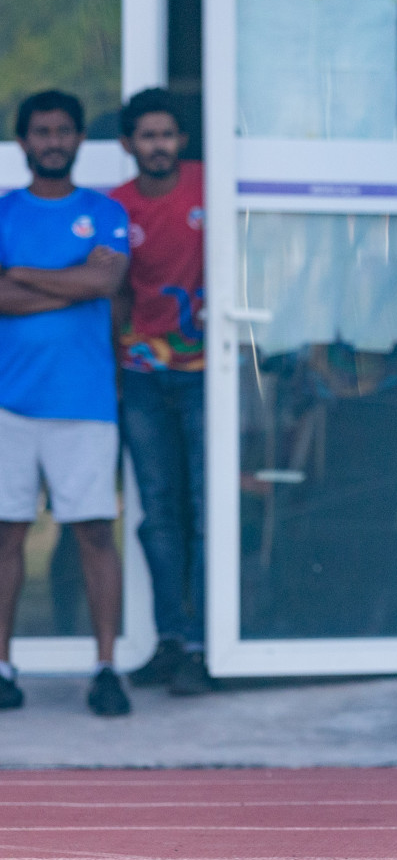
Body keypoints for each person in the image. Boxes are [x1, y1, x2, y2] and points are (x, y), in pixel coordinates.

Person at [0, 89, 133, 717]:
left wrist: (22, 273)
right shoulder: (3, 212)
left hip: (85, 403)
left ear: (80, 139)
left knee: (94, 537)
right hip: (10, 403)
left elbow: (106, 281)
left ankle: (106, 668)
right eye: (41, 131)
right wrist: (73, 283)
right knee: (7, 539)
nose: (53, 140)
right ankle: (2, 668)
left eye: (64, 131)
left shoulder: (103, 211)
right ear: (23, 141)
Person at [110, 88, 212, 696]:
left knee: (204, 507)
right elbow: (115, 290)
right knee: (158, 510)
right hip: (143, 374)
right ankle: (170, 640)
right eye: (146, 136)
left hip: (207, 372)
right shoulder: (116, 206)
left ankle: (207, 643)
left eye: (167, 134)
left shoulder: (208, 186)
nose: (158, 146)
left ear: (183, 140)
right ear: (128, 144)